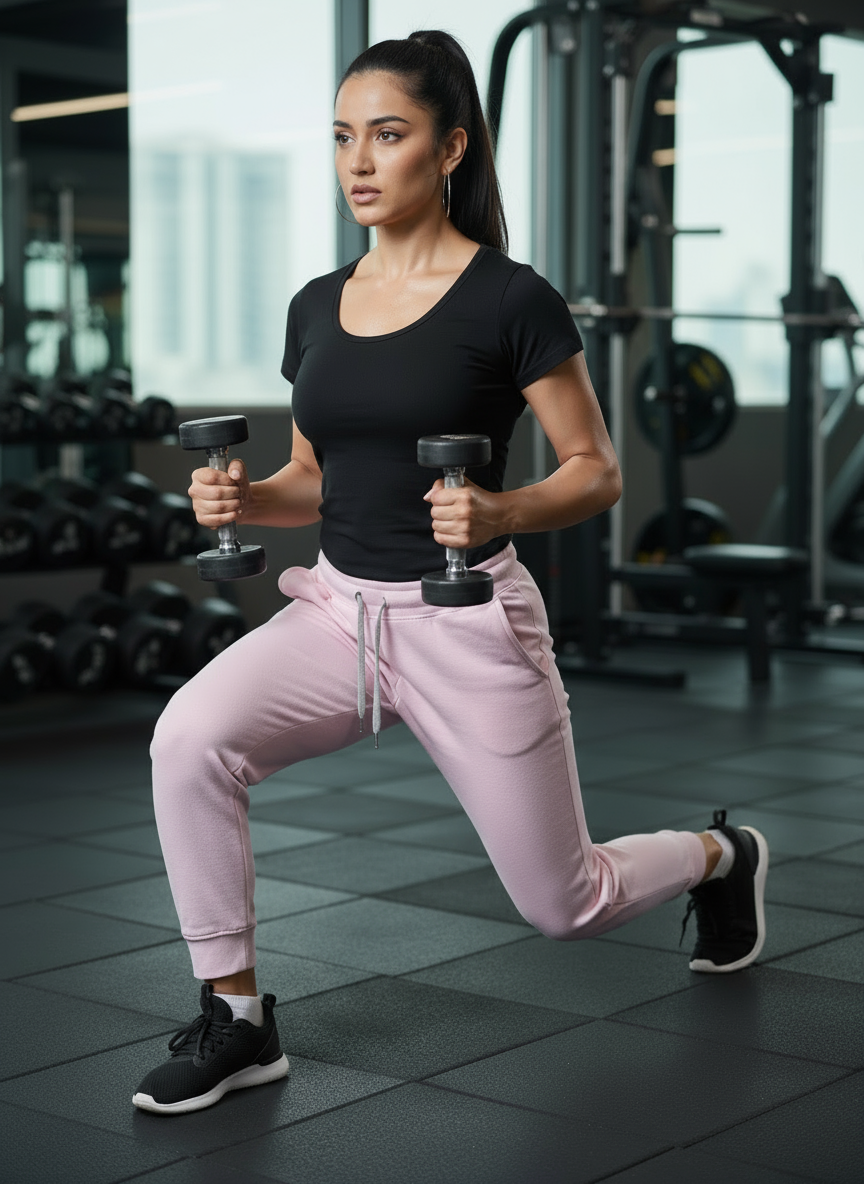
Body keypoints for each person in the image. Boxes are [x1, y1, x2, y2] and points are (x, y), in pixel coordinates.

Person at [132, 30, 768, 1116]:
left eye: (389, 134)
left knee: (566, 903)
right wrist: (243, 498)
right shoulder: (316, 304)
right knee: (189, 737)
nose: (359, 162)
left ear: (452, 147)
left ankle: (722, 854)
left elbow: (598, 471)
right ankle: (238, 1016)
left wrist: (503, 509)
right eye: (343, 137)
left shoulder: (510, 300)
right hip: (338, 614)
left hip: (466, 621)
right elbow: (313, 479)